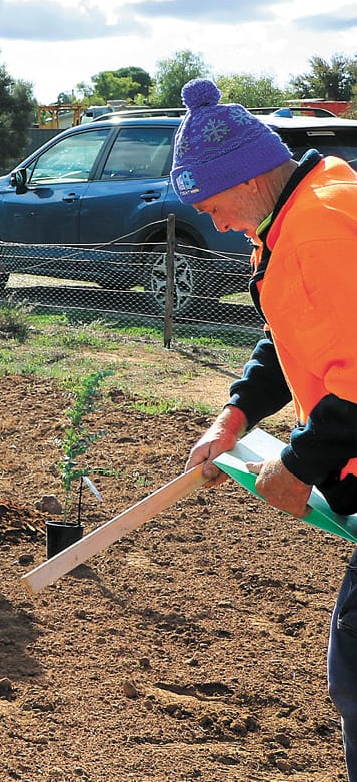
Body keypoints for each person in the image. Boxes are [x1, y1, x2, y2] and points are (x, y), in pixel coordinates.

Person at [174, 78, 357, 777]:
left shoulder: (318, 231)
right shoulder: (300, 207)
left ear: (249, 179)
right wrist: (236, 415)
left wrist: (301, 464)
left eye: (215, 206)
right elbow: (294, 335)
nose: (216, 224)